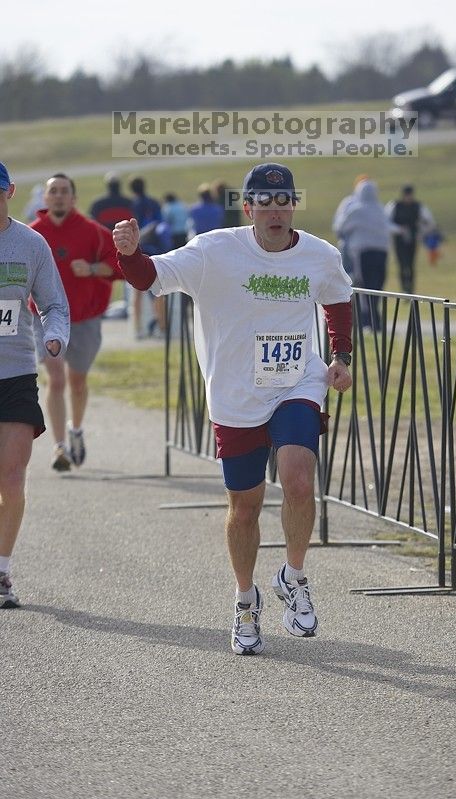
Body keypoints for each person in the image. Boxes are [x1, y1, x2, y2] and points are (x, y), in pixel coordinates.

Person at [113, 163, 353, 656]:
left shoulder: (319, 254)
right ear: (248, 209)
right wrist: (130, 253)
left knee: (299, 477)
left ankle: (295, 576)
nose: (275, 211)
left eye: (284, 200)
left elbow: (338, 298)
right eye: (264, 203)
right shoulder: (213, 251)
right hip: (236, 393)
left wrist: (340, 355)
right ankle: (247, 600)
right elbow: (149, 277)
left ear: (293, 205)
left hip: (296, 382)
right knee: (244, 506)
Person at [0, 162, 69, 608]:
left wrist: (54, 335)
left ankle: (1, 571)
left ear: (9, 192)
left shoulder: (30, 243)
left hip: (16, 374)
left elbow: (54, 304)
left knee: (12, 475)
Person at [30, 173, 122, 472]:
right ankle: (59, 447)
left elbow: (120, 266)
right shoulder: (33, 234)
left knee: (77, 383)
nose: (58, 196)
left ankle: (76, 430)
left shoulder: (93, 232)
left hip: (84, 318)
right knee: (56, 379)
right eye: (53, 191)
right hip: (44, 317)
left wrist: (93, 268)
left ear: (74, 198)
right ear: (45, 198)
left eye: (64, 191)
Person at [334, 179, 403, 331]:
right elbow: (388, 227)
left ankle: (368, 320)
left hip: (362, 253)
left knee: (364, 286)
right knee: (377, 287)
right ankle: (375, 321)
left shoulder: (356, 210)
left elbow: (341, 227)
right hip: (382, 253)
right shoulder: (380, 209)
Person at [89, 173, 134, 320]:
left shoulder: (98, 204)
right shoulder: (129, 202)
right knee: (130, 276)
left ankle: (101, 309)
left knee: (104, 277)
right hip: (126, 243)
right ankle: (130, 308)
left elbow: (92, 224)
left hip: (105, 245)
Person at [385, 185, 436, 294]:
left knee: (411, 264)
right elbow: (386, 221)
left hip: (412, 240)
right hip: (399, 240)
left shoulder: (418, 206)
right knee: (402, 264)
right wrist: (398, 229)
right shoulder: (394, 205)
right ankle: (404, 288)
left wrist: (421, 231)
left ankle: (411, 289)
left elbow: (429, 222)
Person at [129, 176, 163, 337]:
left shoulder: (131, 205)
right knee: (157, 290)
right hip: (154, 248)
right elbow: (160, 224)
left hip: (137, 249)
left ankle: (138, 328)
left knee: (137, 291)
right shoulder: (153, 203)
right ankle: (162, 327)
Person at [332, 174, 369, 277]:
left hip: (365, 247)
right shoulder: (349, 202)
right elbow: (338, 224)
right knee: (348, 275)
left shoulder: (371, 205)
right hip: (348, 244)